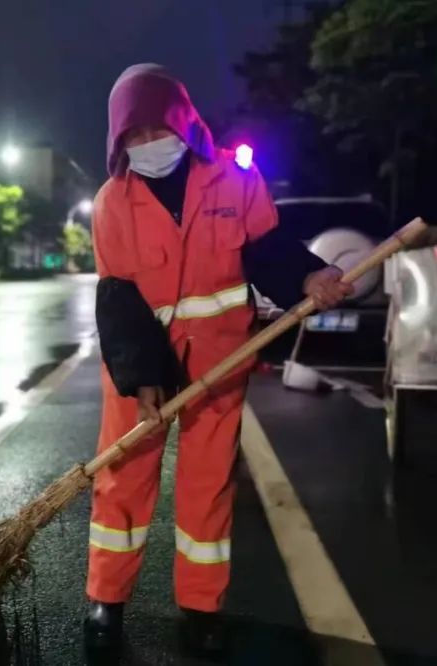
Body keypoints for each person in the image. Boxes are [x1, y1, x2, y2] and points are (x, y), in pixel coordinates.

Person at [85, 64, 352, 658]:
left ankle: (202, 609)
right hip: (141, 369)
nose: (147, 144)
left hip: (220, 359)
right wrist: (143, 379)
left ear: (184, 123)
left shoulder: (235, 181)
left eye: (157, 129)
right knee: (122, 484)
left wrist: (310, 273)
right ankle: (106, 601)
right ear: (117, 141)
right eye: (132, 135)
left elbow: (267, 250)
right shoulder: (112, 202)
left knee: (208, 487)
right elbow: (118, 294)